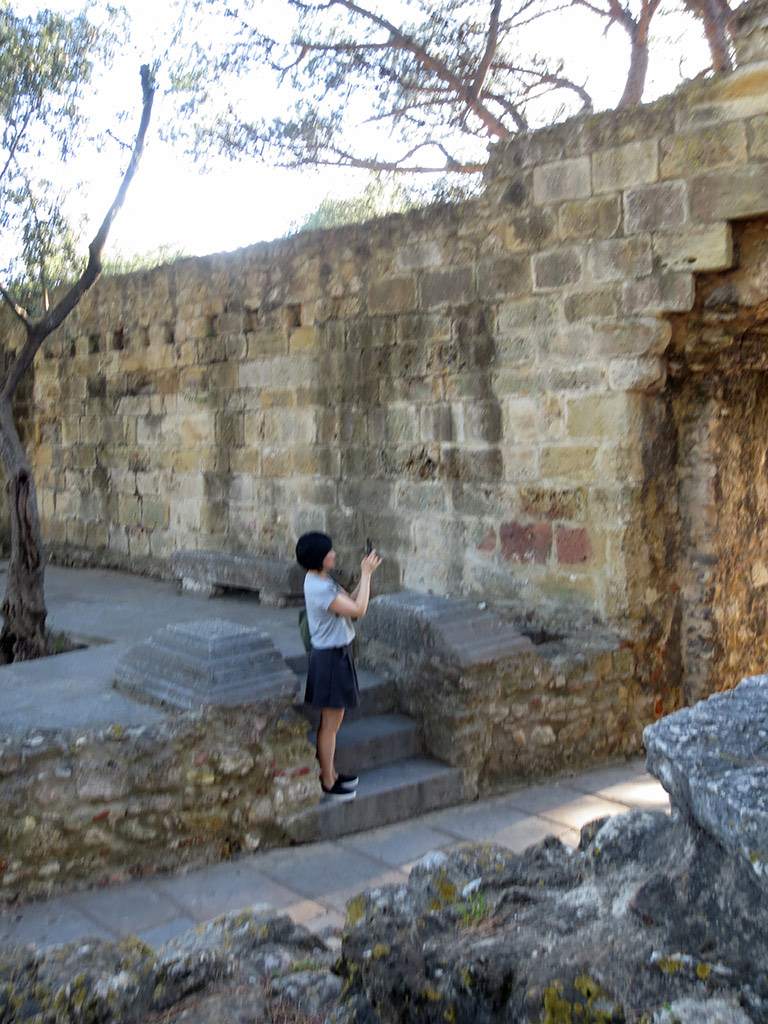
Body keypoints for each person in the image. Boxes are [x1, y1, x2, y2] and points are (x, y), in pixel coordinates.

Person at [295, 531, 382, 801]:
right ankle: (327, 780)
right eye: (329, 552)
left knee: (332, 721)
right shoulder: (319, 587)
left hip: (337, 655)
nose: (334, 554)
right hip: (330, 659)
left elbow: (352, 599)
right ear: (319, 558)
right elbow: (359, 610)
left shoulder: (322, 579)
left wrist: (364, 575)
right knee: (330, 724)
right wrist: (366, 575)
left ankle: (330, 772)